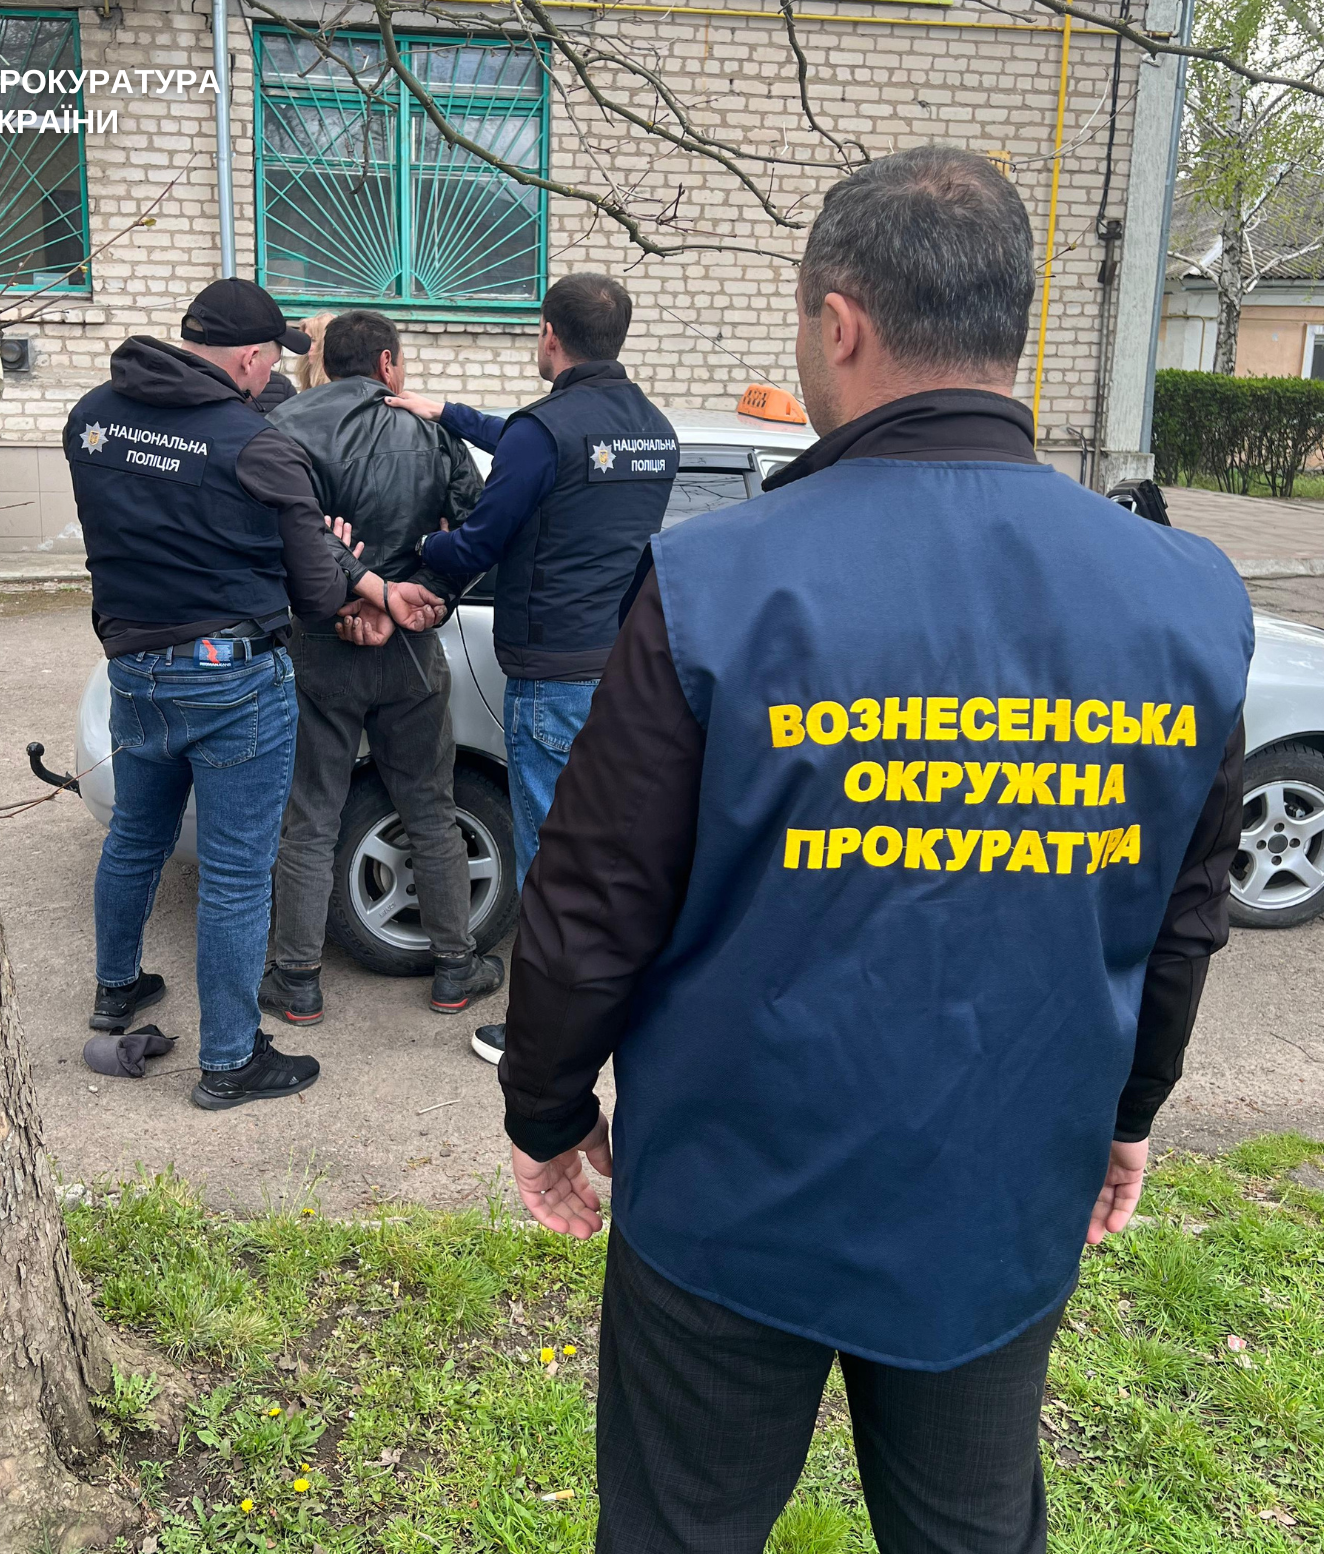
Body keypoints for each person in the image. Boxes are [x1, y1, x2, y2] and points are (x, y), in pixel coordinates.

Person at [496, 148, 1253, 1553]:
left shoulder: (717, 579)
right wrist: (1129, 1107)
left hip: (731, 1197)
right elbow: (1182, 910)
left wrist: (546, 1110)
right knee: (971, 1530)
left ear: (837, 324)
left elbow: (593, 895)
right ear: (1010, 328)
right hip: (1001, 1186)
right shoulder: (1188, 597)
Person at [64, 277, 443, 1112]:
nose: (273, 371)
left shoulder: (92, 417)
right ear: (247, 357)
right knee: (237, 875)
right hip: (232, 677)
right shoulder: (252, 445)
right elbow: (315, 593)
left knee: (136, 836)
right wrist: (334, 556)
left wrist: (318, 556)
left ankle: (117, 990)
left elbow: (145, 522)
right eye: (271, 357)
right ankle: (231, 1060)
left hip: (136, 666)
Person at [387, 273, 679, 1066]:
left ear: (550, 333)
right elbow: (541, 449)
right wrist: (450, 413)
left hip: (550, 676)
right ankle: (612, 1005)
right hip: (618, 673)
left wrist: (419, 548)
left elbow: (482, 540)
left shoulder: (544, 432)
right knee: (607, 853)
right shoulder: (654, 430)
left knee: (550, 866)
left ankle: (539, 1036)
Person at [261, 310, 502, 1021]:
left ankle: (297, 982)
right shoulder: (430, 430)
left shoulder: (284, 428)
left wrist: (354, 599)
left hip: (321, 643)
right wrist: (419, 599)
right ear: (387, 364)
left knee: (311, 817)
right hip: (411, 649)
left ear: (326, 361)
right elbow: (480, 529)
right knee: (430, 805)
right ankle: (455, 969)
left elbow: (276, 540)